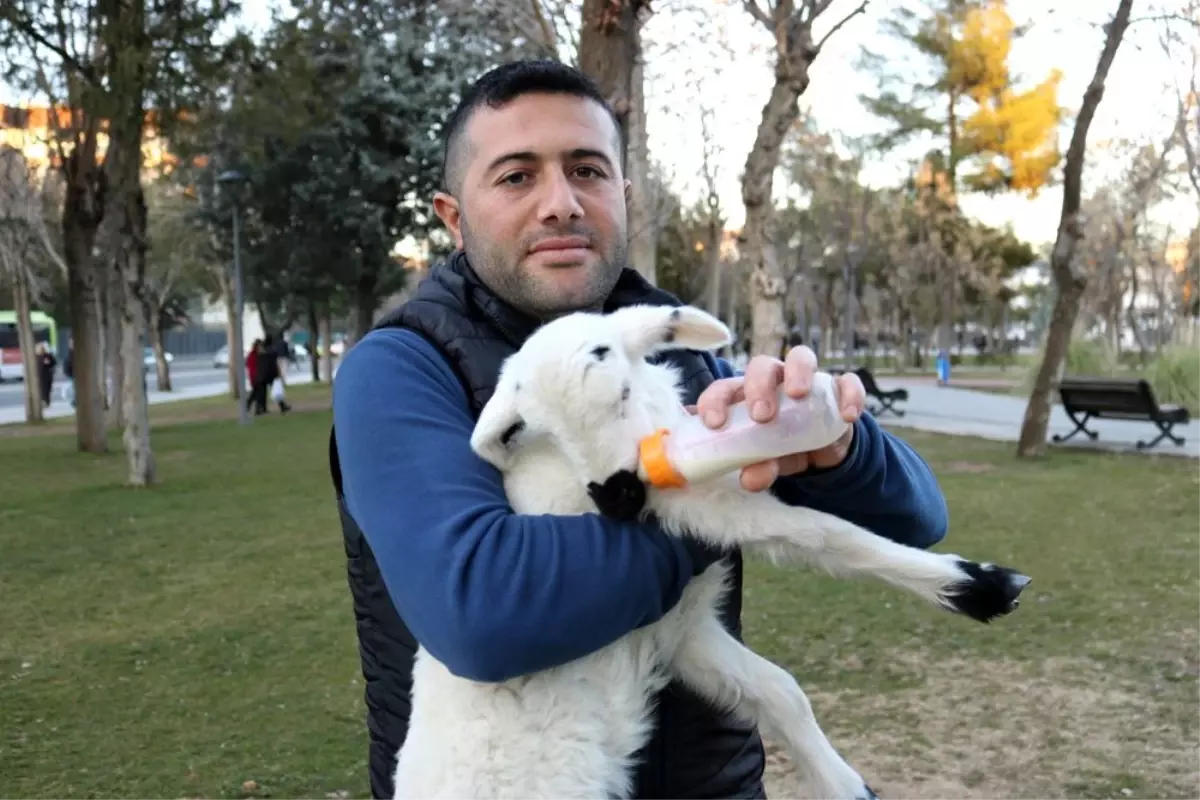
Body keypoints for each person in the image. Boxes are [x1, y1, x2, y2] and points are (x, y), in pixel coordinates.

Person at [329, 60, 949, 800]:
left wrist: (836, 445)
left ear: (623, 196)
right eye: (516, 177)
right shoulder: (400, 369)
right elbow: (481, 610)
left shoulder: (681, 355)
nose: (561, 203)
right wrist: (719, 500)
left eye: (587, 170)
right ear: (454, 217)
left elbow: (919, 519)